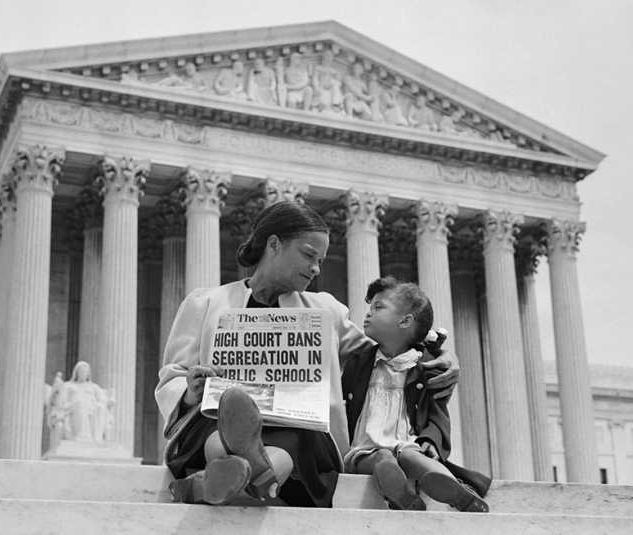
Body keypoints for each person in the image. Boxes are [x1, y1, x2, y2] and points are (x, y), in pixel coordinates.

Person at [155, 201, 460, 507]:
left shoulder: (326, 310)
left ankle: (225, 475)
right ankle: (250, 471)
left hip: (300, 430)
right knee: (223, 423)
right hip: (217, 418)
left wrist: (433, 353)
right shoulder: (205, 303)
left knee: (297, 434)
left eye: (321, 260)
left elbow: (386, 353)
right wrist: (191, 391)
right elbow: (172, 377)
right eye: (308, 255)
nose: (315, 268)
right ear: (274, 244)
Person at [342, 276, 490, 512]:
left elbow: (437, 412)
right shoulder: (358, 361)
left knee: (414, 457)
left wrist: (432, 440)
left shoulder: (425, 366)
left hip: (407, 442)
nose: (368, 314)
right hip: (364, 446)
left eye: (378, 307)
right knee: (381, 458)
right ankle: (402, 495)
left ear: (405, 321)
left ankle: (459, 492)